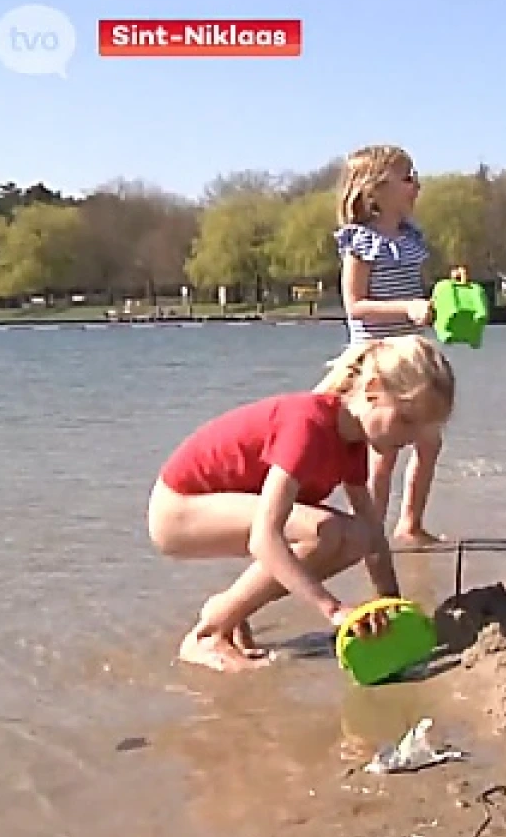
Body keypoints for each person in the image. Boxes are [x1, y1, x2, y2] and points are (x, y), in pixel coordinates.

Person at [147, 336, 457, 673]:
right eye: (406, 420)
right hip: (180, 509)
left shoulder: (352, 444)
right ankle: (207, 634)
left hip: (228, 508)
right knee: (323, 532)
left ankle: (229, 612)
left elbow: (373, 538)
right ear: (372, 390)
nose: (412, 438)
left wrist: (393, 608)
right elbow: (265, 537)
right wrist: (334, 610)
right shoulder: (309, 426)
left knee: (356, 536)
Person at [334, 144, 445, 545]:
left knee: (430, 440)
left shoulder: (412, 239)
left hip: (411, 355)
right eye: (407, 177)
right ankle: (370, 532)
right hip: (377, 359)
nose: (417, 184)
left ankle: (411, 524)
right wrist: (409, 307)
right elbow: (355, 305)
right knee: (383, 452)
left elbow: (416, 296)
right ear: (375, 191)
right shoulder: (360, 241)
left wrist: (442, 304)